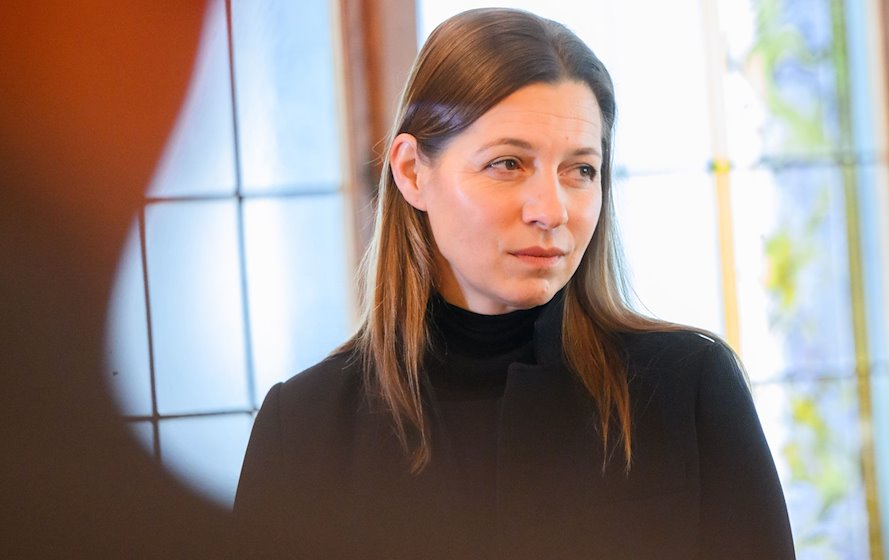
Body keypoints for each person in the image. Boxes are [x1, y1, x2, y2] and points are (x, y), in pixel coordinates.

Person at [234, 7, 795, 559]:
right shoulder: (303, 430)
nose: (552, 210)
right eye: (507, 164)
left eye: (581, 170)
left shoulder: (685, 388)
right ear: (411, 172)